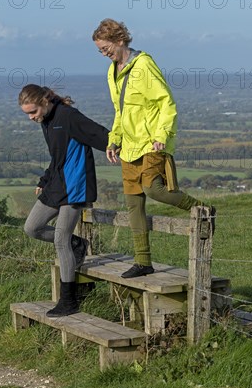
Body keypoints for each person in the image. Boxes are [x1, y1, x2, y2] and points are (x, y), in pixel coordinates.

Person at [92, 18, 215, 279]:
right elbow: (119, 111)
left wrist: (161, 136)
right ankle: (143, 261)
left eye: (105, 48)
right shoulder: (112, 71)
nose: (104, 53)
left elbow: (166, 102)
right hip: (128, 146)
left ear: (120, 40)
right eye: (100, 50)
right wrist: (113, 140)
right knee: (133, 204)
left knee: (154, 189)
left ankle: (203, 210)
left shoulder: (144, 65)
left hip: (151, 143)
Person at [18, 84, 109, 316]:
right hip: (57, 184)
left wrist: (120, 147)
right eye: (27, 114)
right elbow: (57, 156)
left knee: (61, 239)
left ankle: (69, 301)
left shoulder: (68, 116)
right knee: (32, 228)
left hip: (76, 186)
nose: (31, 118)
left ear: (45, 101)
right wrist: (44, 180)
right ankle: (78, 244)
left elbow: (101, 135)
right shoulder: (47, 120)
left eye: (33, 112)